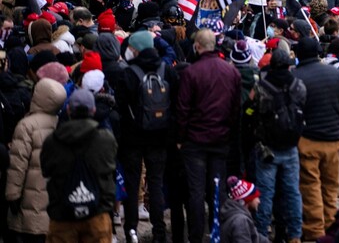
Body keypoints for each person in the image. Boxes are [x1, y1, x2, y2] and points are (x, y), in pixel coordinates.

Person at [176, 29, 242, 243]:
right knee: (217, 189)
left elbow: (183, 109)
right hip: (220, 139)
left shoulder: (191, 72)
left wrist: (181, 136)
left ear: (197, 46)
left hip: (195, 141)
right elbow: (235, 108)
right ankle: (218, 234)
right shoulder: (231, 72)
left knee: (196, 191)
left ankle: (196, 236)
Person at [115, 30, 180, 243]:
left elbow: (121, 106)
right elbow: (176, 103)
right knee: (156, 182)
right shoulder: (167, 71)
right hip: (160, 137)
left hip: (132, 139)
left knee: (133, 184)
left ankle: (131, 229)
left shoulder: (128, 73)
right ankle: (159, 230)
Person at [41, 88, 118, 242]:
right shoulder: (105, 139)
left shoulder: (53, 141)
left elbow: (46, 170)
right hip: (98, 213)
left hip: (62, 214)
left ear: (69, 110)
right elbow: (110, 168)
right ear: (93, 110)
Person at [292, 36, 339, 240]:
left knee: (310, 187)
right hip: (334, 139)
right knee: (331, 186)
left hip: (308, 140)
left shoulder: (297, 76)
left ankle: (316, 231)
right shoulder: (335, 74)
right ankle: (331, 225)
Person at [249, 48, 304, 242]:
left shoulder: (262, 86)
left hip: (267, 148)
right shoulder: (298, 85)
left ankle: (262, 233)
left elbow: (251, 110)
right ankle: (295, 234)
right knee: (292, 192)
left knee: (265, 193)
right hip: (291, 146)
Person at [6, 78, 68, 242]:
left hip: (27, 204)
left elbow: (17, 164)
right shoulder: (60, 124)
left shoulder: (26, 126)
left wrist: (12, 195)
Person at [221, 177, 267, 243]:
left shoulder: (236, 216)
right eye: (256, 197)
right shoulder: (241, 221)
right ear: (247, 199)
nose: (259, 201)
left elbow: (255, 236)